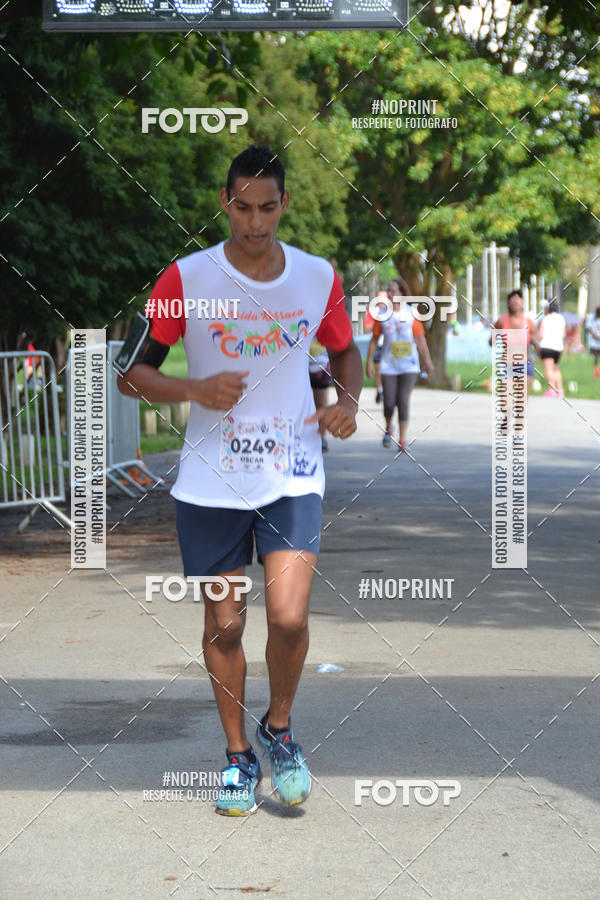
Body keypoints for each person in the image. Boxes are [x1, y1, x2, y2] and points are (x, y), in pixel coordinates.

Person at [117, 145, 363, 816]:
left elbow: (344, 349)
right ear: (225, 203)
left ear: (284, 205)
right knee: (225, 627)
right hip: (211, 481)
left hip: (292, 470)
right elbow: (131, 370)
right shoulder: (186, 278)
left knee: (288, 616)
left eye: (268, 208)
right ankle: (235, 757)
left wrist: (347, 403)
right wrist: (194, 386)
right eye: (243, 208)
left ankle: (278, 727)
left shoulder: (317, 277)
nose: (255, 223)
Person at [365, 278, 433, 449]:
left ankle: (402, 441)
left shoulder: (412, 314)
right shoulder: (382, 314)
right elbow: (374, 340)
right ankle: (389, 427)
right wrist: (368, 362)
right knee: (388, 402)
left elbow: (420, 339)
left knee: (402, 400)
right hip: (388, 366)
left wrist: (427, 360)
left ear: (402, 293)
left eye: (394, 290)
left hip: (409, 366)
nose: (390, 294)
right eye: (388, 290)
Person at [489, 290, 539, 395]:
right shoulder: (501, 321)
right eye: (513, 299)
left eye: (518, 299)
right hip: (507, 364)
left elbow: (536, 342)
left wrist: (538, 351)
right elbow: (491, 342)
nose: (516, 301)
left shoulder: (529, 322)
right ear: (508, 303)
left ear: (523, 303)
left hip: (525, 363)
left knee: (521, 404)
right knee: (507, 405)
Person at [539, 298, 567, 397]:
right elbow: (564, 334)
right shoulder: (561, 318)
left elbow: (541, 334)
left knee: (549, 369)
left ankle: (551, 389)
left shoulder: (545, 319)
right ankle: (560, 390)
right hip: (558, 347)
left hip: (547, 346)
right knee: (556, 369)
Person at [363, 291, 388, 403]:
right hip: (377, 344)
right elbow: (366, 329)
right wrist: (378, 321)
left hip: (389, 344)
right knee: (378, 369)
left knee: (387, 369)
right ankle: (380, 390)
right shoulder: (372, 312)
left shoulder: (392, 311)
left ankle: (388, 391)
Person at [585, 307, 600, 379]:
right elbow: (588, 327)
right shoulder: (592, 318)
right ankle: (596, 371)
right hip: (594, 342)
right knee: (595, 357)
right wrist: (595, 335)